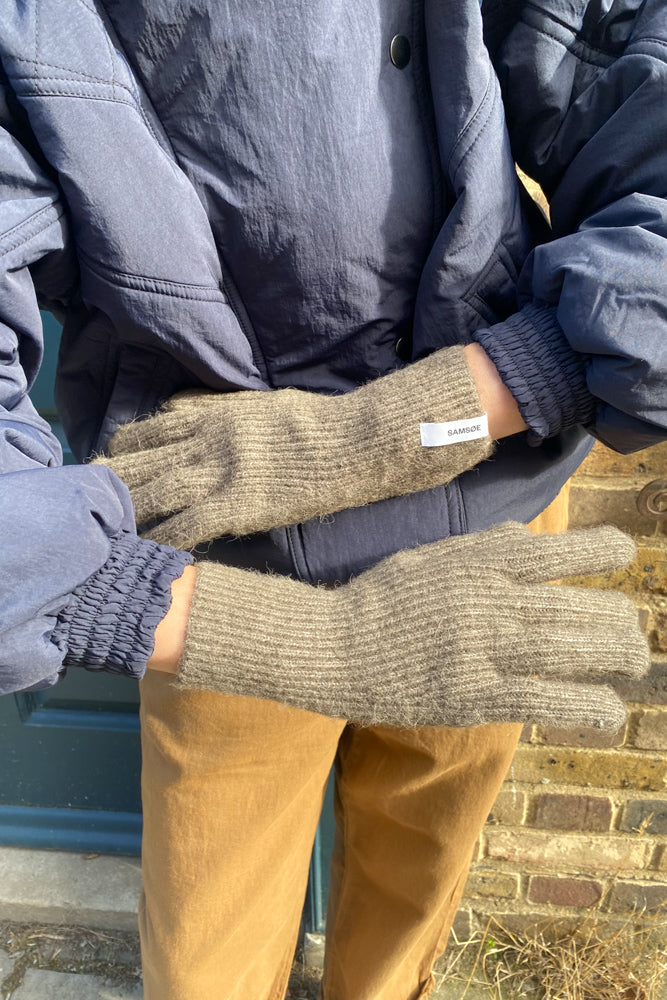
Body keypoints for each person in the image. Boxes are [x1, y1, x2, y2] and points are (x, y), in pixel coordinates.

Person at [0, 1, 664, 997]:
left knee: (413, 887)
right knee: (209, 951)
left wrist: (385, 430)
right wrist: (315, 642)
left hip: (489, 523)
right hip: (219, 569)